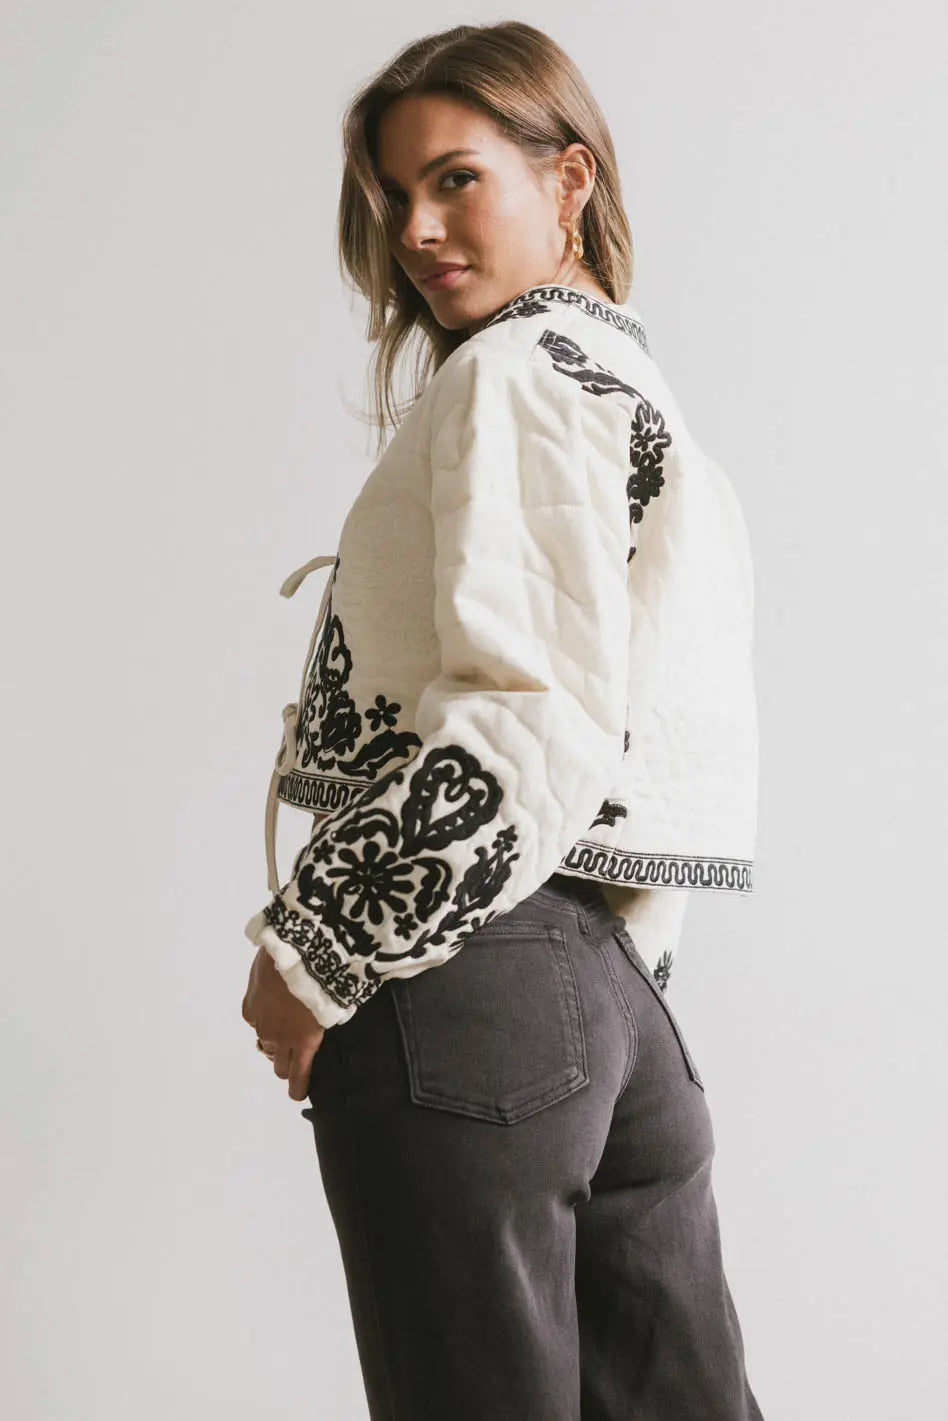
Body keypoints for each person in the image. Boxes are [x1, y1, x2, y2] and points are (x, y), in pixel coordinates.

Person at [241, 20, 764, 1421]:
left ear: (570, 179)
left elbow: (531, 717)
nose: (416, 228)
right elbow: (657, 753)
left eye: (457, 179)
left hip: (471, 973)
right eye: (394, 194)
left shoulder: (518, 374)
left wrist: (314, 952)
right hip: (615, 997)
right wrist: (615, 995)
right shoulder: (635, 393)